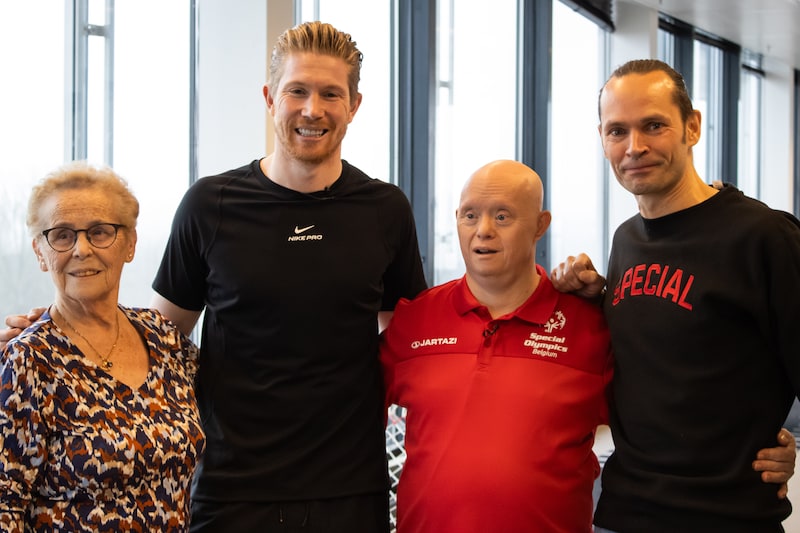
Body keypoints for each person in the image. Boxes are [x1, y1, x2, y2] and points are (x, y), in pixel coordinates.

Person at [1, 21, 426, 533]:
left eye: (330, 94)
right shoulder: (210, 205)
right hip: (230, 491)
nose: (312, 109)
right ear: (270, 98)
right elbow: (158, 340)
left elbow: (410, 341)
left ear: (354, 105)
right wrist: (57, 329)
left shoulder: (385, 211)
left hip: (350, 491)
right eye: (297, 90)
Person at [551, 59, 800, 532]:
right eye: (617, 131)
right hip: (625, 511)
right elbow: (664, 351)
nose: (634, 146)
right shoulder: (625, 239)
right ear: (602, 139)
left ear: (692, 127)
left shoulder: (763, 236)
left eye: (653, 126)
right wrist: (596, 299)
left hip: (728, 518)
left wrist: (790, 440)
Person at [381, 159, 613, 532]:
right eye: (470, 216)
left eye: (502, 217)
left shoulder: (589, 329)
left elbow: (655, 431)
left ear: (540, 225)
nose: (483, 231)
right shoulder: (415, 320)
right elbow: (346, 411)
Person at [0, 162, 205, 531]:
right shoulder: (29, 360)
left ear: (130, 244)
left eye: (99, 232)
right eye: (62, 235)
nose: (81, 249)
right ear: (40, 252)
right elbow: (5, 505)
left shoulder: (163, 337)